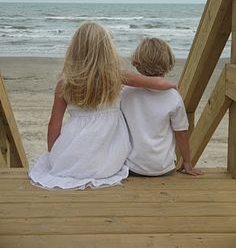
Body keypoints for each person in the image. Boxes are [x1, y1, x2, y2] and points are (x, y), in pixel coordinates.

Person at [29, 22, 175, 190]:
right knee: (112, 161)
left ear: (74, 50)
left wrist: (53, 154)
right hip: (108, 155)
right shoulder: (116, 77)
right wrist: (173, 86)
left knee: (61, 159)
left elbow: (54, 125)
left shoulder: (65, 83)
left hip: (72, 149)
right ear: (108, 50)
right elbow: (157, 82)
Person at [121, 37, 203, 177]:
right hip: (163, 167)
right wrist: (187, 163)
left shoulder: (126, 93)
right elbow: (181, 133)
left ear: (136, 63)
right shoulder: (173, 97)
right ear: (169, 63)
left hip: (132, 167)